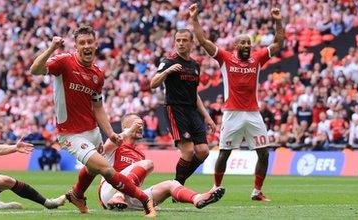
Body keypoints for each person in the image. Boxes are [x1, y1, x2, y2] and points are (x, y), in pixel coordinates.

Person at [29, 25, 156, 217]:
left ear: (96, 45)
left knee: (92, 169)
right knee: (105, 168)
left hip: (93, 131)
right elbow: (35, 70)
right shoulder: (64, 62)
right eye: (82, 43)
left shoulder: (98, 75)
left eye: (90, 42)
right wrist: (52, 48)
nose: (86, 46)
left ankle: (77, 195)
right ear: (76, 46)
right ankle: (146, 201)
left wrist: (110, 133)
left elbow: (98, 107)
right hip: (70, 133)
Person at [189, 3, 284, 202]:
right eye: (243, 43)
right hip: (232, 113)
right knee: (224, 153)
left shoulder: (257, 59)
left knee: (264, 153)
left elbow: (278, 44)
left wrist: (278, 21)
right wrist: (194, 18)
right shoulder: (225, 58)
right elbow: (203, 40)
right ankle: (216, 187)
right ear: (236, 46)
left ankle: (257, 191)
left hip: (253, 113)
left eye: (249, 43)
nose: (247, 46)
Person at [99, 114, 225, 211]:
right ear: (125, 127)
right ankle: (118, 194)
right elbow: (106, 147)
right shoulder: (116, 146)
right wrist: (128, 131)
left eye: (142, 125)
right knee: (148, 163)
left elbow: (135, 184)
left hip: (129, 199)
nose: (140, 127)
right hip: (109, 191)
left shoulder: (140, 155)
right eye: (136, 124)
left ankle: (197, 198)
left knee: (172, 184)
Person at [150, 28, 215, 185]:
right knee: (188, 150)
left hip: (192, 110)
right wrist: (167, 72)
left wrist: (206, 116)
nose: (181, 43)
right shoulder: (168, 61)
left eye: (184, 40)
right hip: (175, 109)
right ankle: (178, 188)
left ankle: (177, 182)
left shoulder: (194, 65)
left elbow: (195, 94)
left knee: (203, 152)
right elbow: (153, 83)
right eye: (178, 40)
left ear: (192, 43)